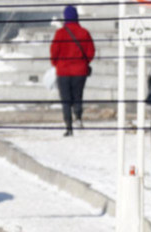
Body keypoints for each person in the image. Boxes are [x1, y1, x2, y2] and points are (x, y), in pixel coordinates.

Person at [50, 6, 95, 137]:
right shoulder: (84, 32)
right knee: (78, 96)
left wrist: (57, 64)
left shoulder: (60, 33)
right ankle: (79, 118)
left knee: (65, 100)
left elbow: (54, 52)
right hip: (80, 71)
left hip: (63, 71)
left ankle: (68, 127)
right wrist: (84, 62)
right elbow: (91, 51)